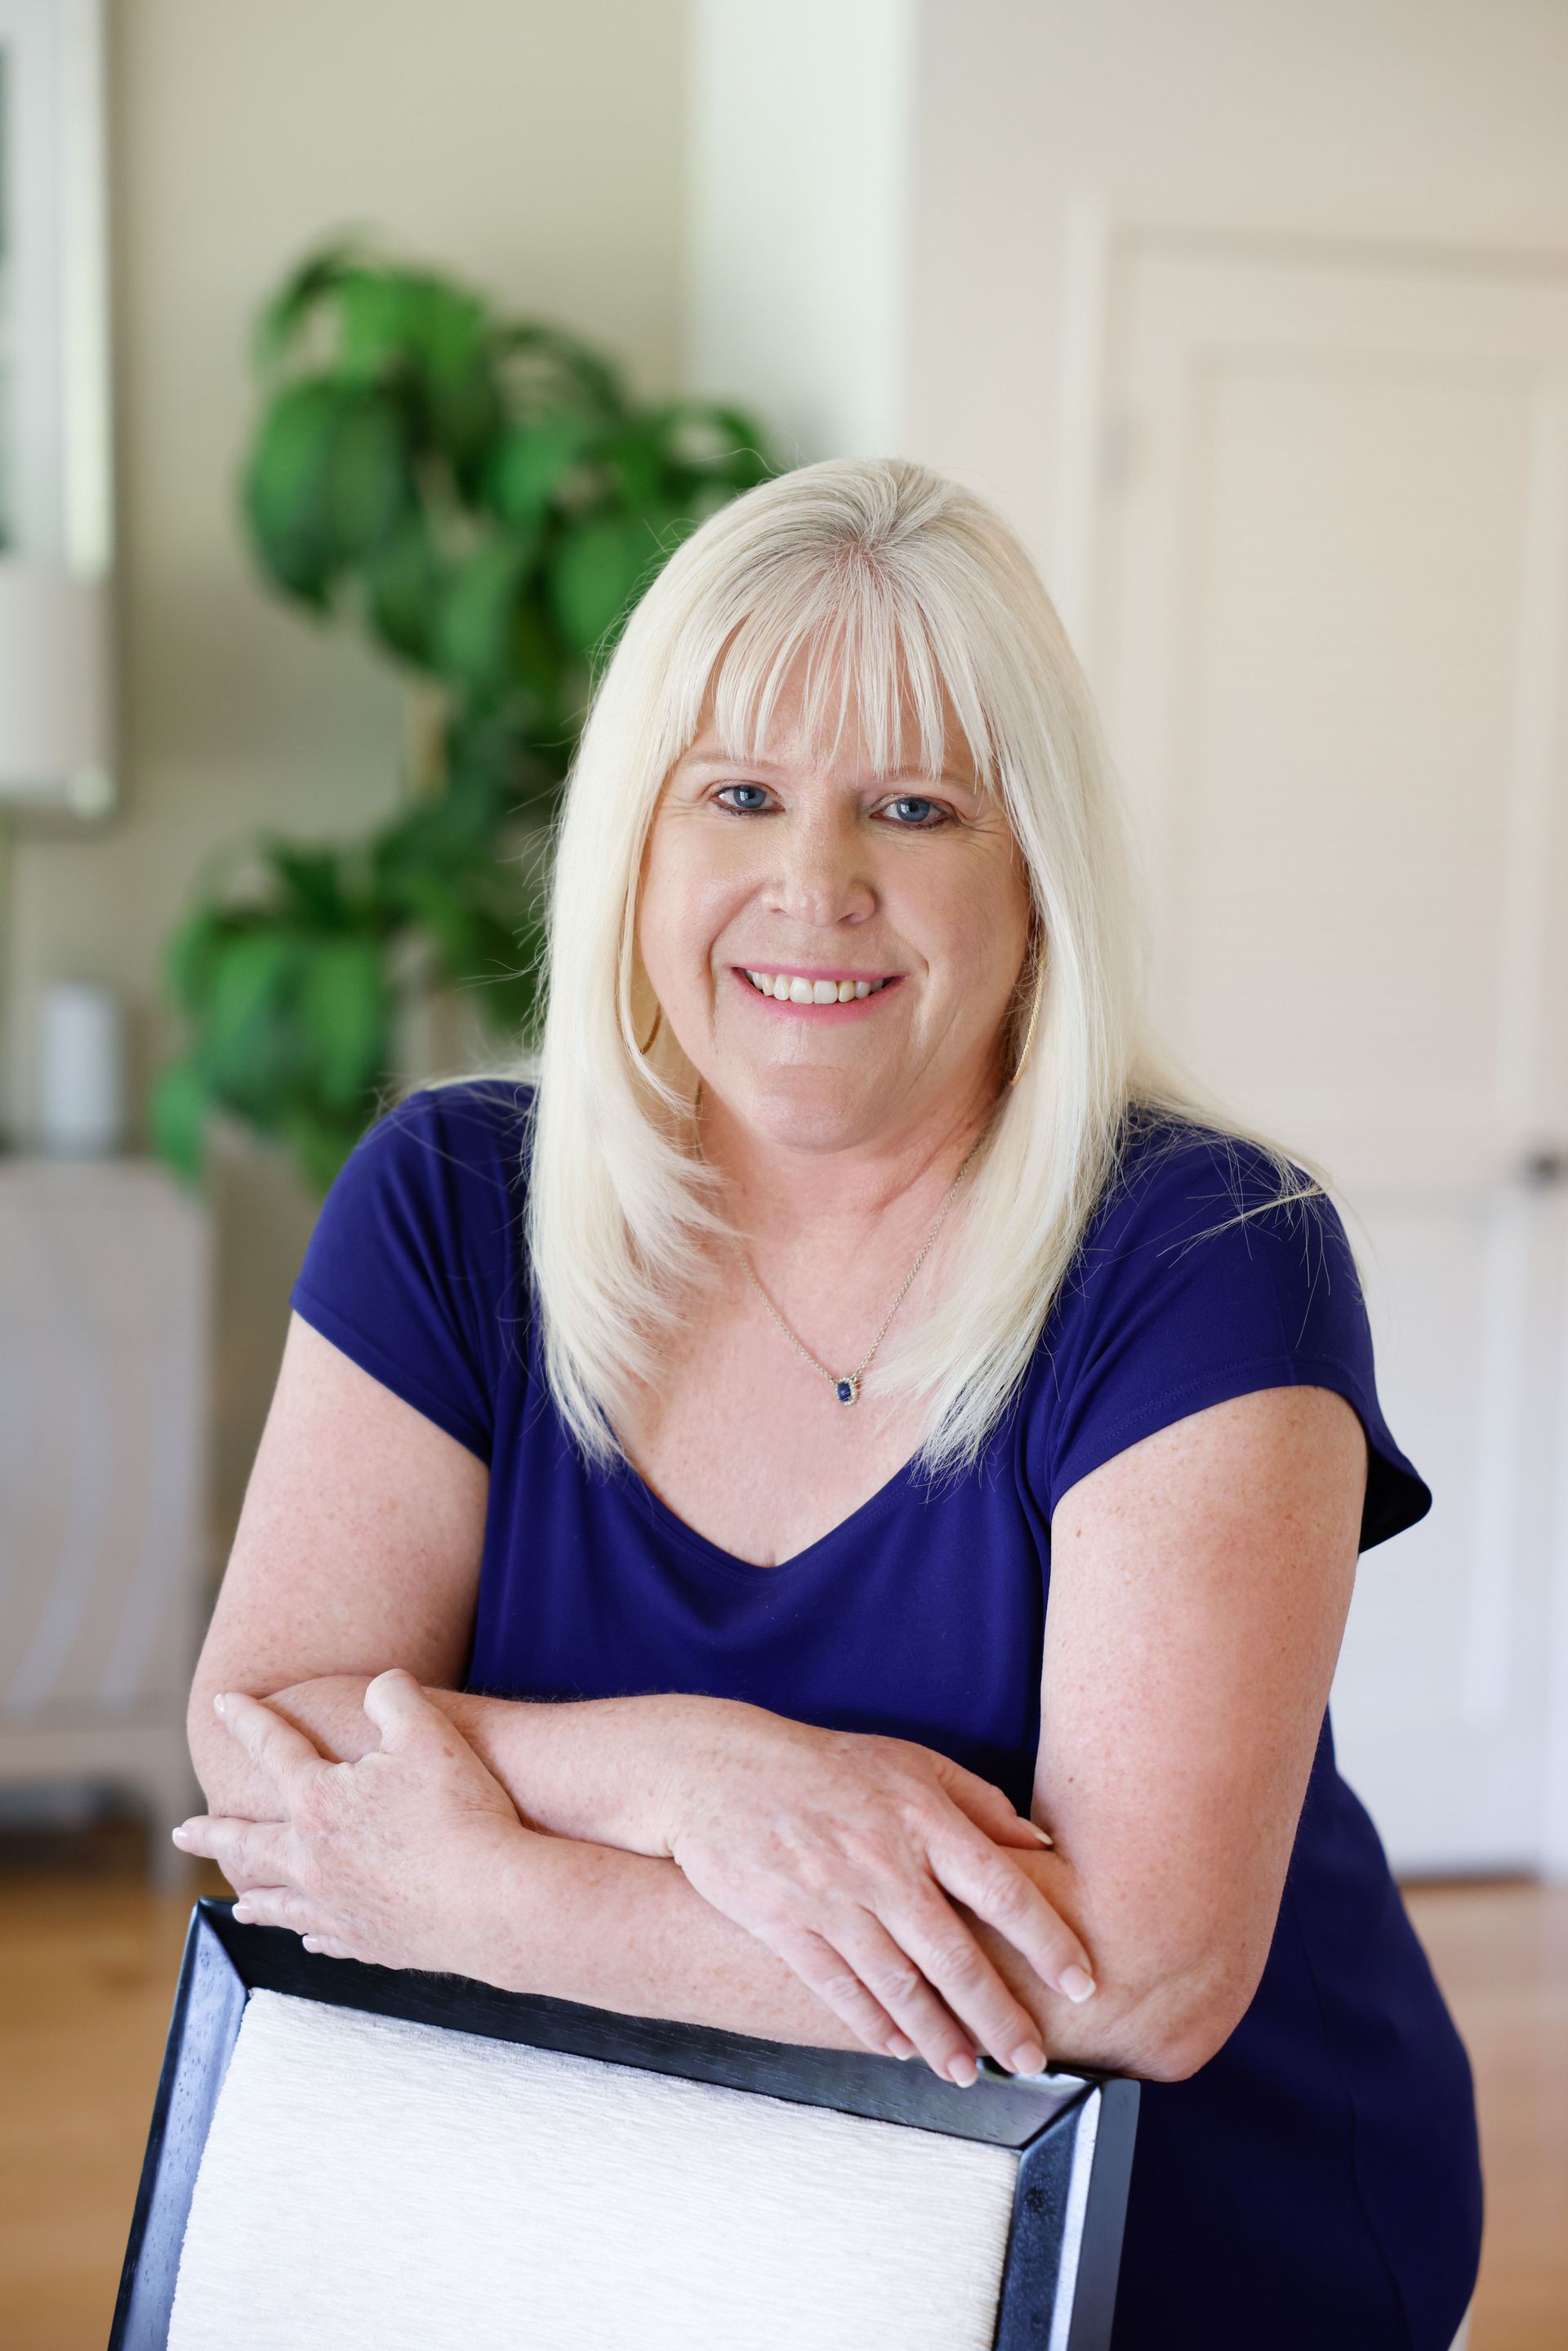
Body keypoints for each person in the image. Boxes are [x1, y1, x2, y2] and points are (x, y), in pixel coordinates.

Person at [176, 457, 1481, 2350]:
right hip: (632, 2208)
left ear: (1031, 875)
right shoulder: (450, 1202)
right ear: (638, 843)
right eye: (739, 795)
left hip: (1169, 2243)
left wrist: (502, 1898)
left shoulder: (1213, 1254)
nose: (817, 885)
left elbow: (1142, 1972)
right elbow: (269, 1752)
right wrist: (694, 1775)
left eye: (912, 805)